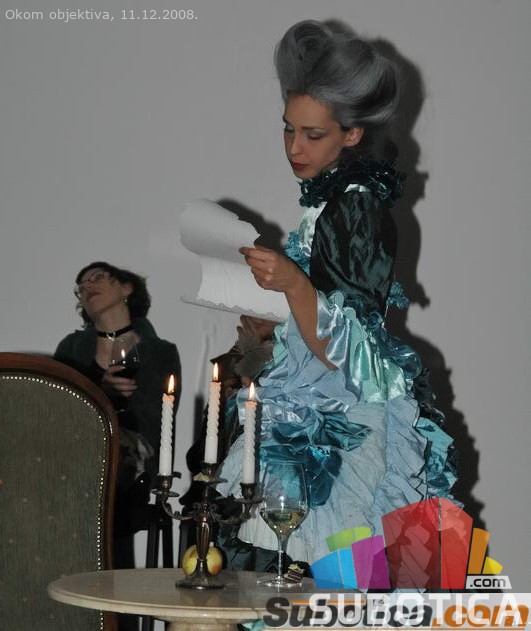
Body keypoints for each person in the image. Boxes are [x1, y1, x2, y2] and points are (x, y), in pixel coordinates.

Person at [217, 20, 458, 569]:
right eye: (288, 130)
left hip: (342, 427)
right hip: (318, 409)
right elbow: (321, 323)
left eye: (312, 135)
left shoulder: (356, 207)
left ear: (351, 135)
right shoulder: (335, 202)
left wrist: (292, 282)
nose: (294, 147)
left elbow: (351, 354)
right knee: (306, 584)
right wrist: (275, 316)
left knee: (335, 583)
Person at [54, 261, 181, 540]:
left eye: (97, 277)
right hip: (75, 450)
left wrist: (115, 403)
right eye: (81, 287)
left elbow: (158, 419)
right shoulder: (70, 348)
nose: (87, 286)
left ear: (126, 288)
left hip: (130, 460)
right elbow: (58, 409)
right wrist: (100, 391)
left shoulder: (159, 351)